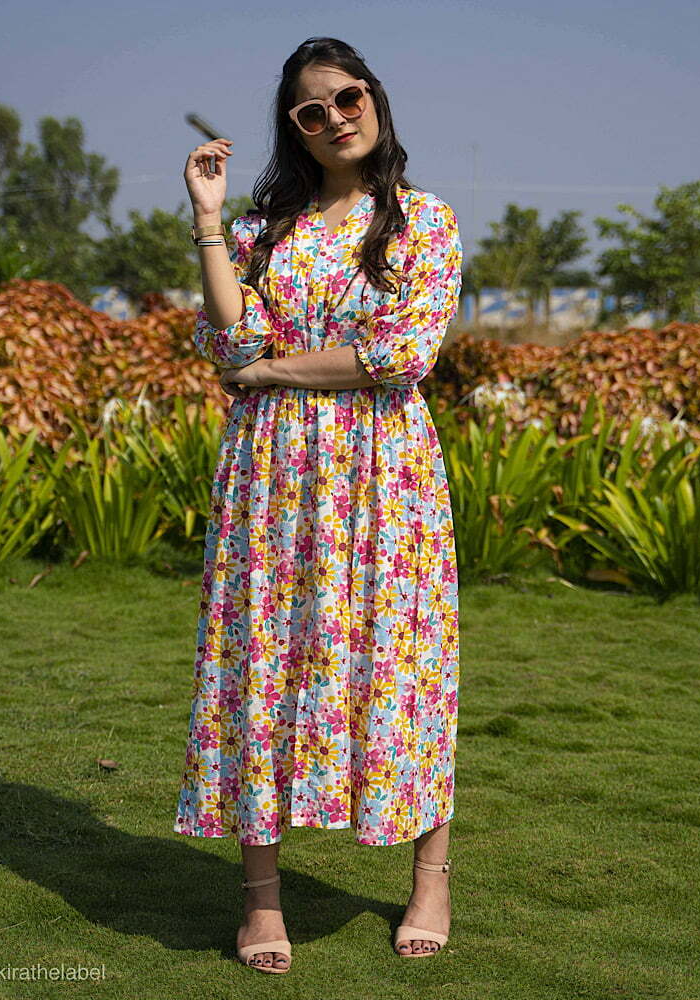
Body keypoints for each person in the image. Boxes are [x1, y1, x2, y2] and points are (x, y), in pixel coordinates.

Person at [175, 36, 463, 974]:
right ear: (293, 131)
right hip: (271, 481)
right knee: (264, 669)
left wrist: (271, 371)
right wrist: (211, 222)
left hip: (386, 481)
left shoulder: (422, 220)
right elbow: (230, 345)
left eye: (348, 97)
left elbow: (400, 353)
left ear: (374, 98)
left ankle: (431, 876)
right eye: (311, 110)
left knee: (401, 661)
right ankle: (261, 899)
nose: (336, 117)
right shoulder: (262, 233)